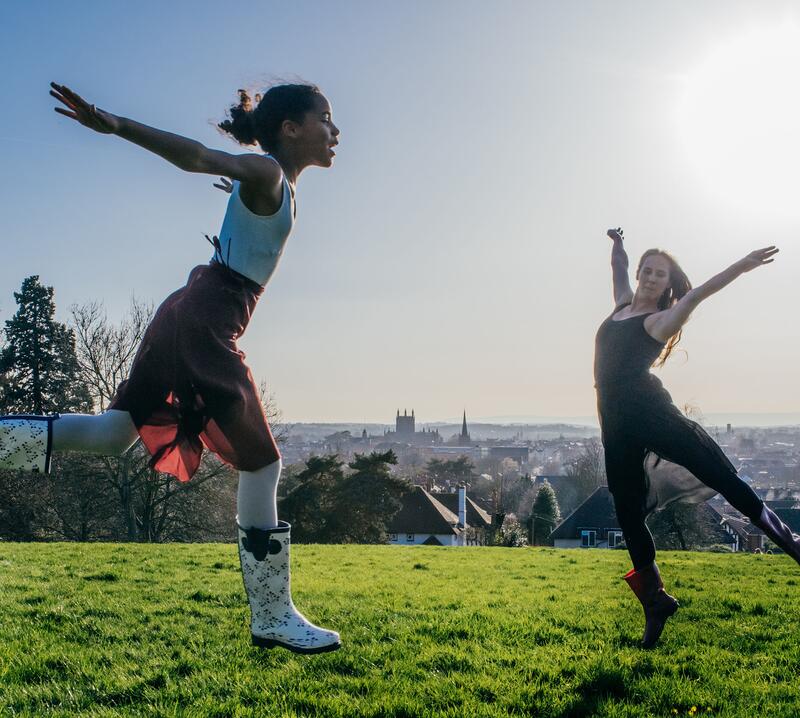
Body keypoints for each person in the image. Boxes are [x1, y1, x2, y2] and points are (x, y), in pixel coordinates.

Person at [0, 81, 341, 654]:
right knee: (261, 465)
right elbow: (197, 157)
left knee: (113, 436)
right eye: (325, 119)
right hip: (207, 319)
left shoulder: (268, 180)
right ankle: (272, 617)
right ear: (290, 129)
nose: (335, 132)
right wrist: (117, 125)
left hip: (187, 309)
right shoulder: (267, 174)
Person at [595, 228, 796, 648]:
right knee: (628, 513)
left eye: (660, 274)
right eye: (646, 271)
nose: (650, 278)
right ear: (639, 274)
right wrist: (617, 244)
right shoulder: (619, 307)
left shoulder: (659, 321)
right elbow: (617, 269)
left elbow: (700, 293)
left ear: (668, 284)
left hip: (656, 418)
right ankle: (655, 601)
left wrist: (742, 265)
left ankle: (791, 544)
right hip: (616, 429)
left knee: (721, 477)